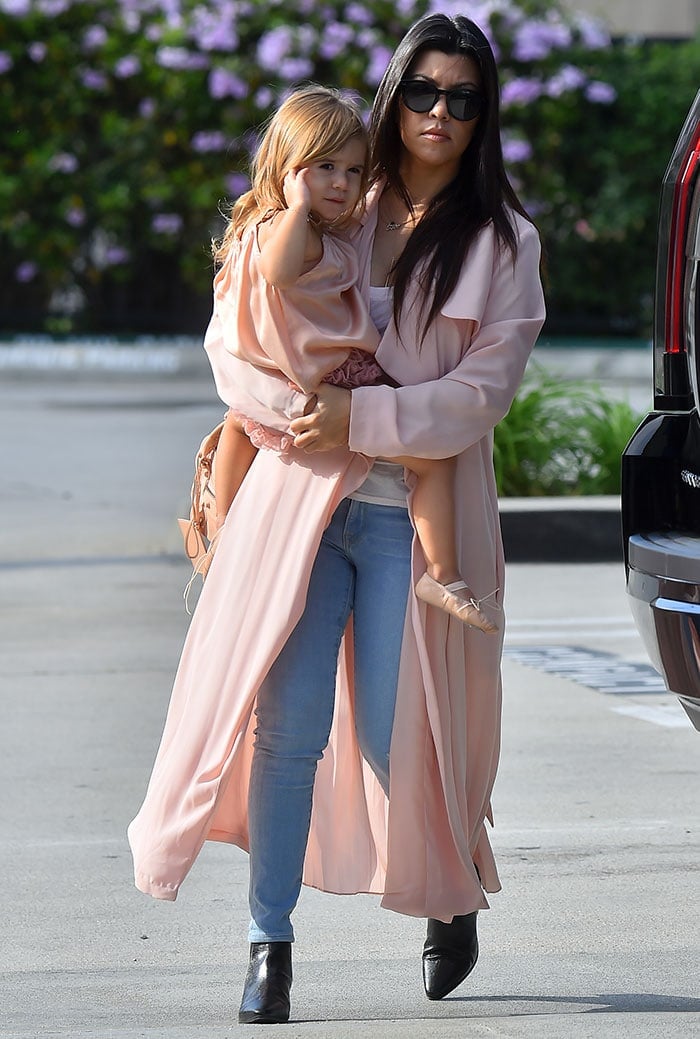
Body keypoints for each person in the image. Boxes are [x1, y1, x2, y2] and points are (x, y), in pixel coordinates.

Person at [127, 11, 545, 1026]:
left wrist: (361, 413)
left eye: (462, 97)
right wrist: (297, 419)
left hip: (413, 515)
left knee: (404, 739)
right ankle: (269, 945)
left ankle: (451, 892)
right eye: (422, 91)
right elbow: (236, 339)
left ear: (483, 114)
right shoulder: (337, 193)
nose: (438, 112)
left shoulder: (504, 244)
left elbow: (480, 394)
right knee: (286, 730)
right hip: (299, 512)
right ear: (394, 92)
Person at [209, 84, 497, 632]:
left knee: (241, 427)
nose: (341, 183)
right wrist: (295, 208)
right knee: (240, 427)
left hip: (324, 374)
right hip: (328, 371)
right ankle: (441, 572)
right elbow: (278, 272)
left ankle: (441, 573)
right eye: (323, 167)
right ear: (287, 167)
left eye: (354, 171)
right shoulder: (282, 228)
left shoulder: (335, 233)